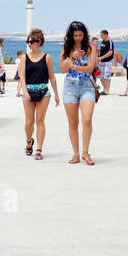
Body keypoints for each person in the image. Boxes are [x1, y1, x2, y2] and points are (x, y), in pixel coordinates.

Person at [17, 28, 59, 160]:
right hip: (28, 91)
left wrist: (56, 94)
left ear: (39, 42)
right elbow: (22, 77)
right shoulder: (24, 57)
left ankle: (39, 150)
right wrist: (25, 92)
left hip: (43, 91)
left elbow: (52, 77)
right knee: (29, 122)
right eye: (28, 41)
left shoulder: (47, 58)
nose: (29, 43)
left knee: (40, 121)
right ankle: (29, 142)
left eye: (32, 41)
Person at [60, 21, 98, 165]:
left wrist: (74, 65)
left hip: (87, 86)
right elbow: (63, 69)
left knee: (87, 119)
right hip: (70, 87)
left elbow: (90, 68)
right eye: (75, 35)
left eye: (80, 35)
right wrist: (72, 57)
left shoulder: (90, 48)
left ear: (85, 35)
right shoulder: (66, 48)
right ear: (71, 35)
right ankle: (76, 154)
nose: (78, 38)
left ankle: (85, 153)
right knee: (73, 122)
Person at [96, 29, 115, 96]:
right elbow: (101, 50)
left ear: (106, 34)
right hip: (101, 61)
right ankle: (105, 89)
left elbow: (110, 52)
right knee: (100, 75)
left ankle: (107, 91)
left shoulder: (109, 42)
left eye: (102, 35)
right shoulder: (103, 41)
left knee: (107, 76)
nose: (101, 37)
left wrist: (101, 57)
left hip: (108, 61)